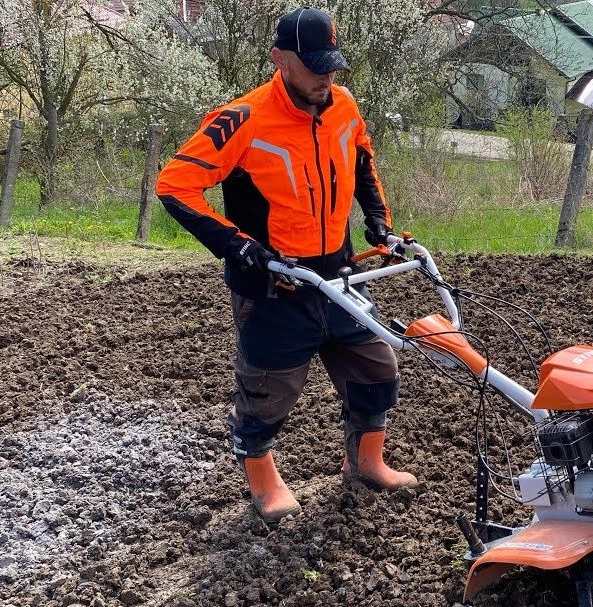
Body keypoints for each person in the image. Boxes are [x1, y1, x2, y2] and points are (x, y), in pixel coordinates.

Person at [156, 6, 417, 523]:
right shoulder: (244, 119)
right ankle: (263, 483)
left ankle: (366, 461)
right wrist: (240, 247)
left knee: (377, 370)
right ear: (280, 59)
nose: (325, 76)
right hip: (275, 284)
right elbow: (175, 185)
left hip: (339, 276)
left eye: (332, 65)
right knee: (266, 395)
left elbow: (362, 159)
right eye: (314, 65)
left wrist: (378, 222)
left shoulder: (343, 105)